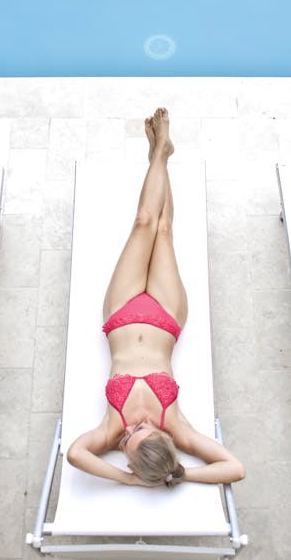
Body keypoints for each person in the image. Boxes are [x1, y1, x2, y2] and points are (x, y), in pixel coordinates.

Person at [66, 108, 246, 488]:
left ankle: (159, 155)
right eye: (150, 431)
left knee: (143, 222)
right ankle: (161, 155)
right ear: (166, 442)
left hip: (122, 312)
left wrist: (126, 480)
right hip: (165, 315)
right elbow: (235, 468)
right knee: (163, 229)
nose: (140, 425)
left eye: (133, 437)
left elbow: (76, 454)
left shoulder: (111, 431)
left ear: (127, 457)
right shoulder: (178, 430)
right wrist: (179, 474)